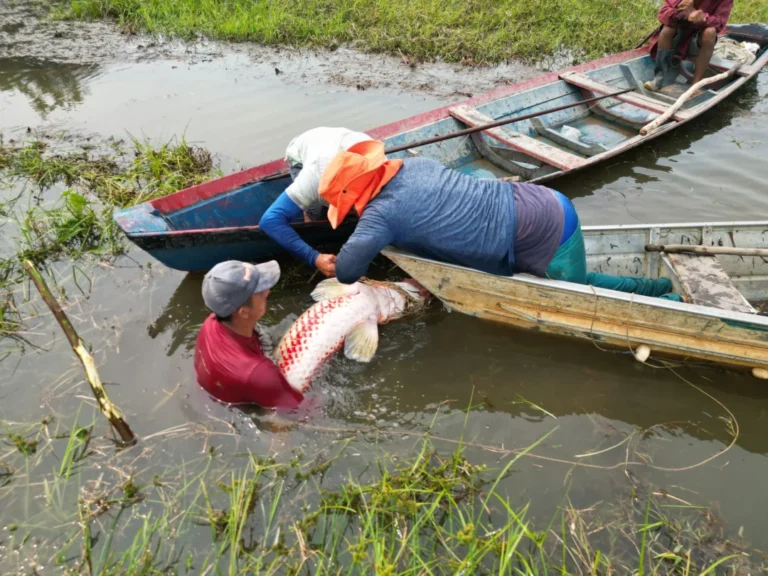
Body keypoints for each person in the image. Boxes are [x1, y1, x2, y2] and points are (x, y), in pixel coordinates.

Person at [317, 139, 681, 301]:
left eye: (345, 206)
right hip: (539, 200)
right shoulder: (415, 165)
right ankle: (659, 288)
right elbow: (432, 217)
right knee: (576, 279)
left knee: (584, 287)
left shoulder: (381, 216)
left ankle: (666, 301)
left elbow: (348, 271)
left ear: (355, 196)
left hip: (543, 229)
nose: (349, 214)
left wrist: (332, 260)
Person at [259, 127, 372, 278]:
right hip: (304, 150)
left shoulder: (378, 167)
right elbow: (269, 221)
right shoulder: (313, 180)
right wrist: (314, 257)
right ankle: (309, 212)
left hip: (344, 140)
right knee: (316, 216)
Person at [194, 260, 304, 408]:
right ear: (244, 312)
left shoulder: (211, 321)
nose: (268, 291)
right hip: (240, 404)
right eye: (260, 292)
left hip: (222, 386)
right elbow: (302, 412)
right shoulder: (260, 373)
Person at [645, 0, 733, 92]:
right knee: (668, 29)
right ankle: (658, 79)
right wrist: (686, 15)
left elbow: (719, 23)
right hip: (677, 40)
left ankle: (695, 85)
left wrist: (700, 16)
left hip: (697, 43)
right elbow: (664, 12)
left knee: (710, 32)